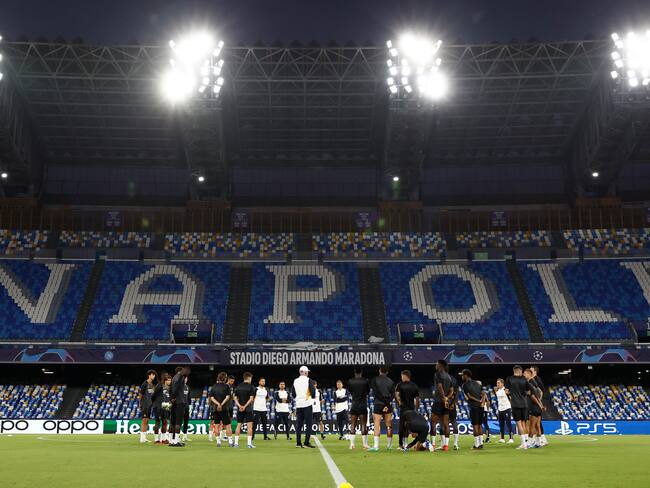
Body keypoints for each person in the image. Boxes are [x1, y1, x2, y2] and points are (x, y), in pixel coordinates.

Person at [505, 365, 531, 450]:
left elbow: (506, 391)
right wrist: (522, 393)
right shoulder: (524, 379)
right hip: (524, 403)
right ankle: (526, 442)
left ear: (514, 371)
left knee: (519, 423)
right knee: (524, 423)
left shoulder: (509, 379)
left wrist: (512, 394)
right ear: (520, 371)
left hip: (515, 404)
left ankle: (523, 444)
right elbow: (528, 392)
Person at [369, 366, 395, 451]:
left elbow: (376, 392)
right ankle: (389, 446)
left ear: (379, 371)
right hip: (387, 405)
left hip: (378, 404)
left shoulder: (374, 380)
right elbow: (392, 395)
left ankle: (376, 446)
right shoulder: (391, 381)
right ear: (387, 372)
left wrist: (383, 402)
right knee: (389, 425)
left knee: (377, 425)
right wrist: (386, 404)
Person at [291, 365, 316, 448]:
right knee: (309, 424)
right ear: (305, 372)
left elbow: (293, 394)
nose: (308, 373)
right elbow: (313, 393)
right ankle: (306, 442)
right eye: (307, 372)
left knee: (299, 425)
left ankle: (298, 443)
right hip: (307, 404)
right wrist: (311, 397)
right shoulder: (309, 380)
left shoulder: (295, 381)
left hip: (298, 405)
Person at [430, 359, 453, 451]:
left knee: (433, 423)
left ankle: (433, 445)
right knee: (446, 424)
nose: (435, 365)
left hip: (439, 401)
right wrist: (447, 398)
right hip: (446, 402)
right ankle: (446, 446)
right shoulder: (449, 376)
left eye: (436, 363)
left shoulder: (437, 374)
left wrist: (443, 399)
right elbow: (452, 391)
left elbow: (440, 387)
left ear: (440, 365)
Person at [461, 369, 486, 450]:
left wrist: (478, 401)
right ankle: (481, 444)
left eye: (462, 375)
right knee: (479, 425)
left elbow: (469, 396)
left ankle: (476, 445)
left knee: (475, 426)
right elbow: (484, 394)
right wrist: (482, 402)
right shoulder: (477, 383)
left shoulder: (465, 385)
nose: (462, 377)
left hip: (474, 407)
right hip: (481, 407)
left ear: (466, 375)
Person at [395, 370, 420, 449]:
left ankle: (402, 444)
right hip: (412, 409)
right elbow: (417, 399)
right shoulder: (414, 386)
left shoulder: (400, 385)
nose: (401, 377)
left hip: (404, 409)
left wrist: (399, 403)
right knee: (411, 426)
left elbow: (397, 395)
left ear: (405, 376)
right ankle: (412, 444)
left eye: (402, 376)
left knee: (402, 426)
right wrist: (416, 409)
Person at [347, 368, 370, 450]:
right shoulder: (366, 381)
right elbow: (367, 392)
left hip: (354, 405)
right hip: (363, 405)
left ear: (354, 372)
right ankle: (365, 445)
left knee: (353, 425)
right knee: (363, 425)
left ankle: (352, 445)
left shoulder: (350, 381)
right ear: (361, 372)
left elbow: (350, 391)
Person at [209, 371, 233, 447]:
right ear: (225, 378)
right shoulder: (227, 387)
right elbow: (228, 397)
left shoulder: (213, 387)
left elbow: (211, 398)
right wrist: (221, 404)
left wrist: (217, 404)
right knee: (228, 425)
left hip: (215, 409)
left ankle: (218, 442)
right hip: (224, 408)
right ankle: (230, 442)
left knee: (216, 426)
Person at [234, 372, 257, 448]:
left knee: (238, 425)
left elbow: (235, 398)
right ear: (249, 378)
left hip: (240, 409)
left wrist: (240, 406)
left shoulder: (238, 387)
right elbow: (251, 399)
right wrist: (245, 406)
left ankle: (236, 443)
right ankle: (249, 444)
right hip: (248, 409)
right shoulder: (251, 387)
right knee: (249, 426)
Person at [169, 366, 190, 447]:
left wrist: (171, 399)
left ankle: (171, 440)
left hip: (174, 402)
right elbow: (175, 389)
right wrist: (174, 398)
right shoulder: (180, 377)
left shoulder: (174, 378)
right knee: (178, 422)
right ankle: (176, 441)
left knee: (172, 422)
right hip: (180, 402)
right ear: (180, 371)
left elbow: (171, 389)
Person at [525, 368, 545, 448]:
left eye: (525, 373)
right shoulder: (535, 382)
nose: (524, 375)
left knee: (531, 426)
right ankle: (538, 442)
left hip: (534, 407)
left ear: (529, 374)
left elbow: (532, 396)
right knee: (537, 425)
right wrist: (540, 403)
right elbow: (540, 392)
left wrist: (539, 404)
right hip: (538, 407)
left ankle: (529, 443)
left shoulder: (529, 383)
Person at [530, 365, 549, 446]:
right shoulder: (532, 380)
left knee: (537, 422)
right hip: (535, 403)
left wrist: (539, 400)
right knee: (536, 423)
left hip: (537, 403)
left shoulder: (537, 379)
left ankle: (542, 439)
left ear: (535, 372)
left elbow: (541, 391)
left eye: (531, 371)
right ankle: (539, 439)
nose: (529, 372)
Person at [138, 369, 157, 443]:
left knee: (147, 421)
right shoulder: (144, 383)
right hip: (145, 404)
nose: (154, 376)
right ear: (149, 375)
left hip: (150, 405)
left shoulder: (152, 385)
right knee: (144, 420)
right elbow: (141, 394)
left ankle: (144, 438)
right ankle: (142, 438)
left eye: (154, 375)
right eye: (153, 375)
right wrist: (140, 403)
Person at [152, 372, 171, 444]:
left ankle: (163, 439)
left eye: (170, 380)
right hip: (158, 406)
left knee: (165, 422)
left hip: (165, 406)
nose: (169, 382)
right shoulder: (159, 385)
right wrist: (156, 404)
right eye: (168, 380)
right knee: (157, 422)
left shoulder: (169, 388)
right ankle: (156, 440)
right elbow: (153, 395)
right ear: (165, 380)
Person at [495, 378, 514, 443]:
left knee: (508, 423)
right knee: (501, 424)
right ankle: (502, 438)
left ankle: (511, 438)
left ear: (502, 384)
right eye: (497, 383)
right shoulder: (497, 391)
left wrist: (511, 407)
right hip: (500, 409)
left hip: (506, 408)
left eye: (498, 383)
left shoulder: (506, 390)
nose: (497, 384)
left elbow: (511, 398)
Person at [448, 372, 460, 450]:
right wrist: (454, 403)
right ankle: (455, 443)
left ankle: (444, 444)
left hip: (445, 403)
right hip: (452, 404)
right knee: (453, 421)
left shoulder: (443, 379)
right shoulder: (454, 380)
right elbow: (457, 392)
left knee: (444, 423)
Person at [180, 375, 191, 443]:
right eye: (184, 378)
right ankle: (176, 436)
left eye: (186, 378)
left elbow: (189, 398)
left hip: (186, 406)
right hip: (180, 406)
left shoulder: (187, 387)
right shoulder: (179, 387)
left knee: (186, 422)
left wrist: (190, 407)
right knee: (179, 422)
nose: (185, 380)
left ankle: (185, 436)